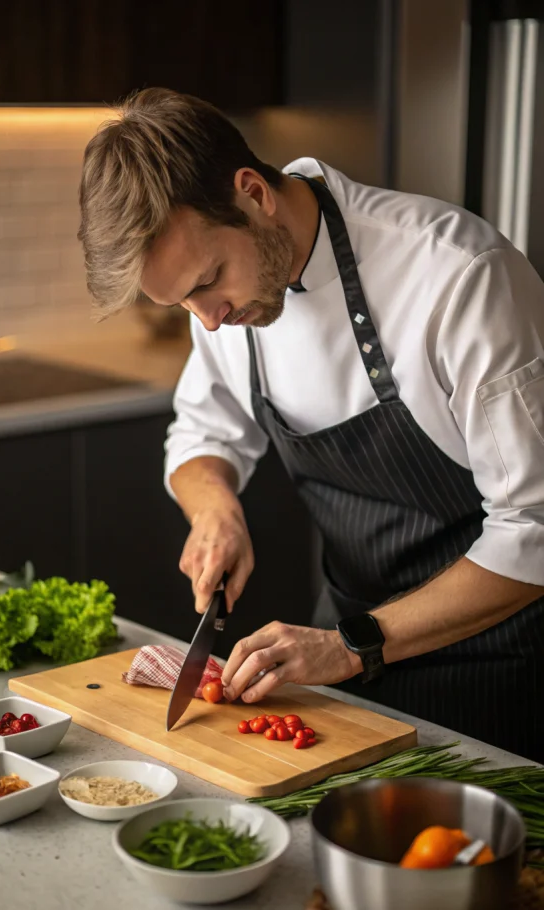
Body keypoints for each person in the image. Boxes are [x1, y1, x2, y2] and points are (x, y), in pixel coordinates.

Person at [77, 88, 544, 761]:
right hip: (341, 653)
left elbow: (533, 531)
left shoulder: (458, 276)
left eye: (208, 281)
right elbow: (202, 432)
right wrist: (215, 512)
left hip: (496, 668)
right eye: (182, 301)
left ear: (253, 194)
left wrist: (352, 644)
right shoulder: (224, 305)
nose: (206, 320)